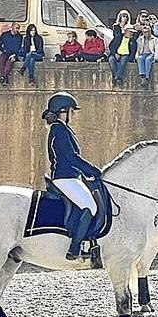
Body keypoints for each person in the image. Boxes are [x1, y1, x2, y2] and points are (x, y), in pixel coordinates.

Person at [42, 92, 103, 262]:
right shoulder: (59, 129)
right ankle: (74, 248)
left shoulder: (62, 128)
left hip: (71, 176)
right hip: (64, 177)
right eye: (71, 111)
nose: (74, 114)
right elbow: (71, 157)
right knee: (90, 206)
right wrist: (91, 169)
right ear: (63, 111)